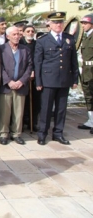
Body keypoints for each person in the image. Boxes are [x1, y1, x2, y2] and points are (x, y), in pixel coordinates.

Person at [34, 12, 79, 145]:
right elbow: (38, 63)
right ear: (50, 24)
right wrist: (39, 81)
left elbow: (73, 61)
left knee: (61, 109)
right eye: (55, 22)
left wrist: (75, 79)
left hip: (64, 79)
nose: (58, 24)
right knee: (46, 109)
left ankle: (58, 133)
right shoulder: (42, 40)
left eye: (60, 22)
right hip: (48, 80)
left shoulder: (69, 39)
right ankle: (42, 134)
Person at [0, 26, 32, 145]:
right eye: (14, 34)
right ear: (7, 36)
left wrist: (21, 81)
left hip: (20, 85)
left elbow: (29, 67)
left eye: (18, 34)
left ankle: (16, 133)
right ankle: (3, 133)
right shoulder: (1, 49)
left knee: (19, 112)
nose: (17, 37)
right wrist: (9, 81)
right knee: (5, 111)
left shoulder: (25, 49)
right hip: (7, 86)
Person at [20, 25, 40, 130]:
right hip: (23, 76)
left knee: (35, 102)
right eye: (28, 31)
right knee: (23, 101)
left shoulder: (37, 44)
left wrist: (34, 71)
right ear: (23, 33)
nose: (30, 33)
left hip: (35, 77)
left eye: (32, 31)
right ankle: (22, 122)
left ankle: (33, 123)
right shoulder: (20, 44)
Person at [78, 14, 93, 133]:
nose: (83, 25)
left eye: (85, 23)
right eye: (82, 23)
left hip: (92, 70)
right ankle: (91, 121)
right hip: (86, 70)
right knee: (88, 96)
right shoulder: (86, 37)